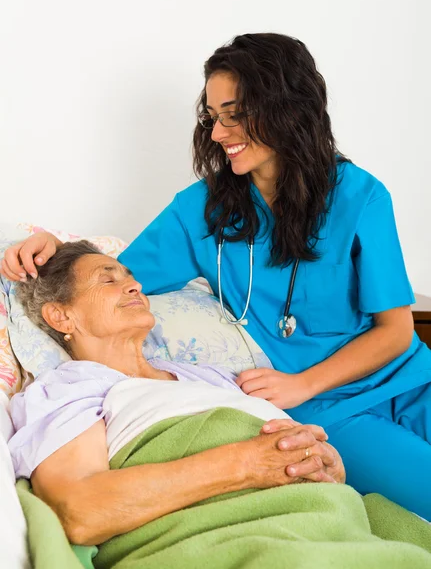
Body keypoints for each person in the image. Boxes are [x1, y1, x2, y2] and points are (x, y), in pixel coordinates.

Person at [2, 33, 430, 520]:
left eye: (235, 113)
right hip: (331, 412)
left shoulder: (361, 196)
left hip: (410, 377)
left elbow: (397, 331)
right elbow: (110, 282)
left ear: (289, 107)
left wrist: (305, 381)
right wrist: (53, 249)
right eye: (212, 116)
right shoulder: (201, 211)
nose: (219, 132)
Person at [8, 241, 345, 547]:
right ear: (61, 316)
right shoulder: (66, 388)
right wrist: (247, 463)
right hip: (237, 539)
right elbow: (80, 511)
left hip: (327, 520)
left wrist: (328, 464)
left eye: (130, 277)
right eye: (108, 280)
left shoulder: (213, 376)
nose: (135, 285)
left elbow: (293, 451)